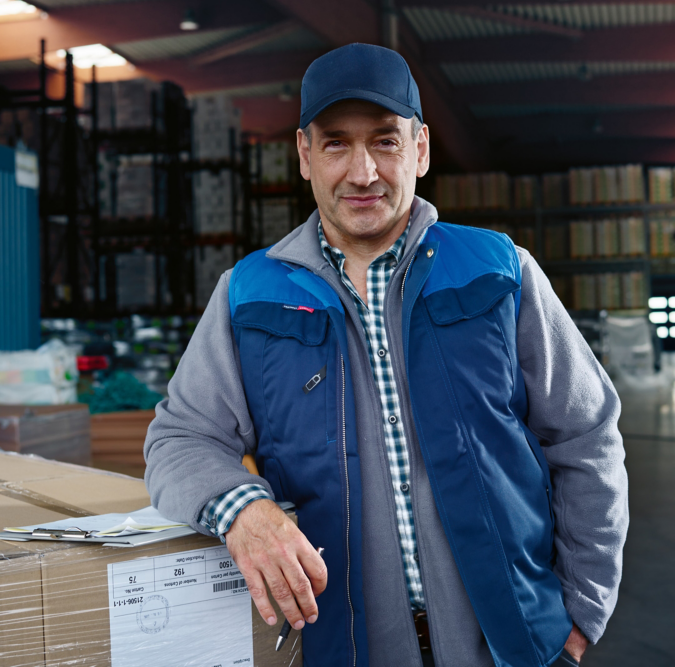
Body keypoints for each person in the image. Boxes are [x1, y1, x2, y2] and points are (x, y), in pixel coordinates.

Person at [144, 43, 628, 667]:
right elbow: (179, 438)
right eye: (337, 144)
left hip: (512, 644)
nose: (363, 172)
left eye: (385, 141)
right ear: (304, 155)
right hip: (341, 646)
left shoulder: (499, 271)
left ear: (420, 149)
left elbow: (585, 435)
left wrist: (582, 611)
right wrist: (245, 510)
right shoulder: (249, 293)